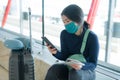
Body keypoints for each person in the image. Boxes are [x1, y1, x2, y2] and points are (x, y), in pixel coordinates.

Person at [45, 4, 99, 80]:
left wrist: (81, 66)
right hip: (71, 68)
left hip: (86, 71)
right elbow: (65, 56)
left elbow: (93, 64)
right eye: (64, 22)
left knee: (75, 73)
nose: (66, 24)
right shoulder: (64, 34)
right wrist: (55, 53)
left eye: (67, 21)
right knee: (54, 69)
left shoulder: (92, 37)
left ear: (78, 20)